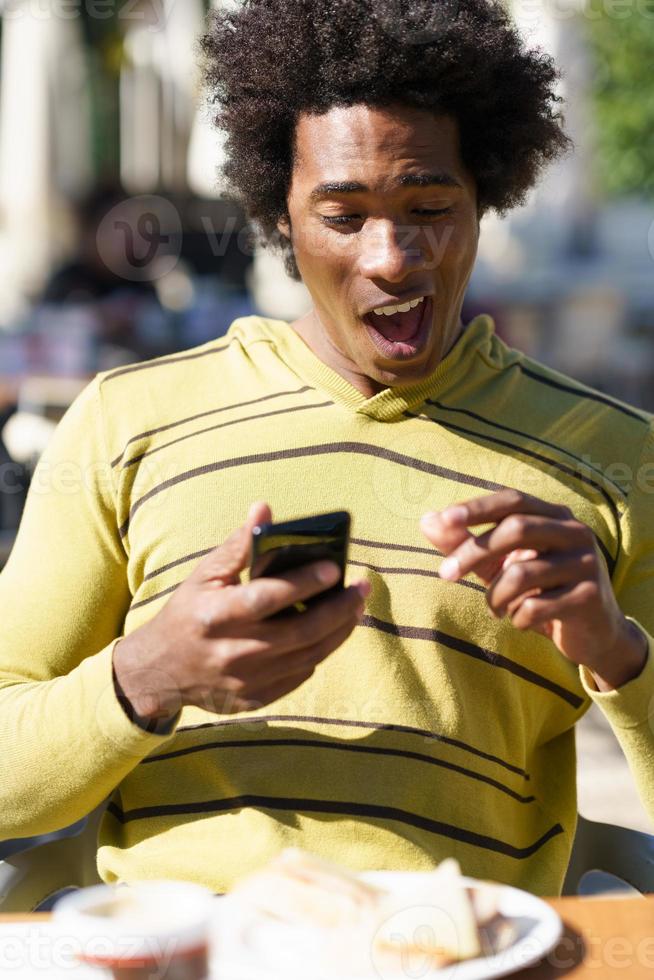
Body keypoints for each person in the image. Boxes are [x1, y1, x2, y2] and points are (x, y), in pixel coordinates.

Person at [0, 0, 652, 898]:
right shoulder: (125, 421)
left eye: (429, 206)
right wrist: (150, 673)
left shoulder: (615, 456)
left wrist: (617, 653)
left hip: (460, 954)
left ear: (484, 200)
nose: (393, 257)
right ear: (282, 218)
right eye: (344, 217)